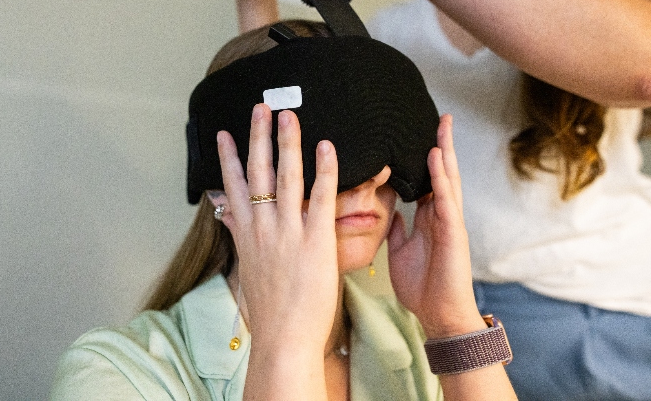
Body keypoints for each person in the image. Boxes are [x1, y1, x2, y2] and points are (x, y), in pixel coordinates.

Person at [188, 0, 651, 399]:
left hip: (593, 316)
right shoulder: (395, 32)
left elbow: (642, 63)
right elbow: (281, 125)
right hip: (443, 304)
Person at [50, 20, 519, 400]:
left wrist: (453, 324)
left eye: (382, 145)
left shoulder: (411, 346)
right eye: (322, 149)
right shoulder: (114, 372)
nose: (374, 176)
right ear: (223, 192)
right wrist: (286, 347)